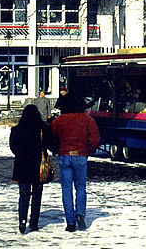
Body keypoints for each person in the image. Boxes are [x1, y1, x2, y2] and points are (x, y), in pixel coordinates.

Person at [51, 96, 100, 232]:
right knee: (81, 186)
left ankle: (70, 222)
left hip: (65, 156)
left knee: (66, 189)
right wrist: (88, 150)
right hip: (80, 156)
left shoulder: (59, 120)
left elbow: (53, 135)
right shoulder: (88, 120)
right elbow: (95, 139)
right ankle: (80, 214)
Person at [10, 104, 52, 233]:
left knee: (23, 195)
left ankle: (22, 221)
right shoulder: (42, 129)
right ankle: (34, 222)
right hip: (37, 166)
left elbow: (13, 148)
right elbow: (49, 144)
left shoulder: (16, 130)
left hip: (22, 167)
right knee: (37, 195)